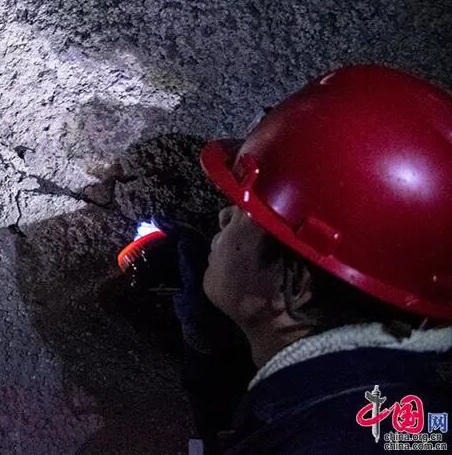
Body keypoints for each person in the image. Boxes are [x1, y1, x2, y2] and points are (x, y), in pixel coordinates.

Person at [164, 64, 452, 454]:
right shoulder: (395, 411)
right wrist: (211, 356)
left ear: (298, 286)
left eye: (249, 214)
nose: (224, 216)